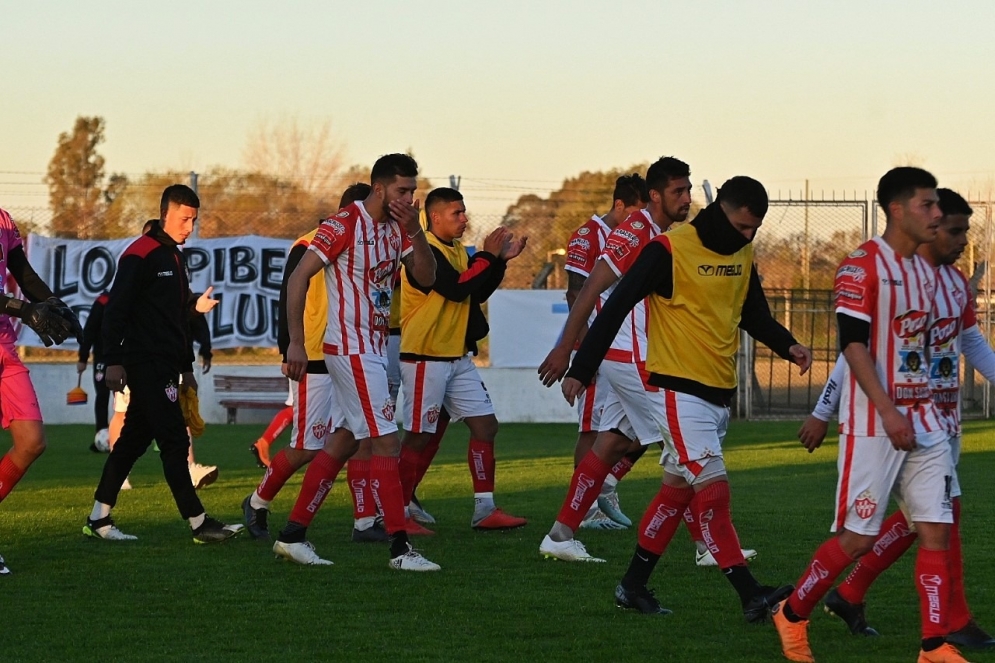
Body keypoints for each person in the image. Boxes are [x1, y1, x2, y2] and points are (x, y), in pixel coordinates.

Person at [563, 176, 811, 620]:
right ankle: (751, 594)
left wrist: (787, 344)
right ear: (719, 210)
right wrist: (581, 369)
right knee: (713, 491)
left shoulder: (742, 252)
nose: (747, 236)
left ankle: (632, 586)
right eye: (741, 226)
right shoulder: (669, 249)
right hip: (678, 392)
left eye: (754, 229)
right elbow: (615, 305)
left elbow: (753, 312)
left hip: (717, 392)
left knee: (675, 492)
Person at [772, 168, 965, 663]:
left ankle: (933, 645)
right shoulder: (861, 266)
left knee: (935, 529)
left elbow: (924, 348)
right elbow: (852, 346)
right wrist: (887, 411)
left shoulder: (928, 272)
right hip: (873, 424)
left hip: (925, 423)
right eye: (927, 204)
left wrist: (934, 411)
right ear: (897, 210)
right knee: (859, 539)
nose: (937, 213)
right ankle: (792, 613)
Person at [538, 158, 757, 567]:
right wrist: (567, 349)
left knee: (612, 443)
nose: (687, 198)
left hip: (632, 355)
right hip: (635, 358)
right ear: (655, 195)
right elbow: (590, 289)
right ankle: (709, 545)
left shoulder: (665, 233)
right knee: (687, 445)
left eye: (688, 190)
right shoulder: (637, 230)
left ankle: (560, 535)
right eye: (678, 191)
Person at [275, 153, 440, 570]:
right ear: (379, 188)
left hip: (372, 349)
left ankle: (292, 535)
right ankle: (400, 549)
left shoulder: (399, 227)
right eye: (403, 190)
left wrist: (415, 231)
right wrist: (296, 343)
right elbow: (298, 277)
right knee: (386, 442)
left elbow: (427, 278)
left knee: (345, 440)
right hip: (350, 349)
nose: (410, 198)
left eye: (413, 191)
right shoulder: (344, 224)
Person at [82, 184, 242, 544]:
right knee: (174, 440)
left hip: (167, 365)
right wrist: (113, 361)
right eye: (184, 219)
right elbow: (116, 310)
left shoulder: (174, 257)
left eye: (194, 220)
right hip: (145, 364)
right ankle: (199, 523)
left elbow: (174, 317)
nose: (189, 227)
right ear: (165, 214)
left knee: (131, 443)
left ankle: (98, 518)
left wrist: (186, 366)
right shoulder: (139, 253)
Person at [242, 183, 386, 544]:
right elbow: (289, 292)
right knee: (307, 447)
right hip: (314, 358)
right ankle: (257, 502)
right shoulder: (308, 243)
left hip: (351, 354)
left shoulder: (369, 245)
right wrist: (289, 347)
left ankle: (365, 521)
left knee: (359, 439)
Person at [397, 187, 528, 532]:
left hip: (456, 357)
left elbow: (475, 290)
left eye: (464, 211)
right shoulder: (423, 250)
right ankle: (397, 513)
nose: (464, 218)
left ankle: (484, 509)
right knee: (417, 437)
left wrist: (498, 261)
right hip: (425, 357)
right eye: (457, 213)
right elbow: (455, 288)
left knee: (485, 426)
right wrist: (487, 256)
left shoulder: (456, 249)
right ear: (435, 217)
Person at [560, 174, 649, 529]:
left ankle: (605, 487)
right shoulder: (588, 235)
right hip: (599, 349)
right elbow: (576, 293)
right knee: (592, 432)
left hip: (630, 348)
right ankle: (585, 511)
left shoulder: (640, 235)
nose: (642, 220)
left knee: (641, 428)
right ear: (619, 206)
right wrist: (585, 350)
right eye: (637, 212)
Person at [0, 206, 82, 575]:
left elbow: (24, 274)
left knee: (31, 441)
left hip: (3, 344)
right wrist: (25, 310)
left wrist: (56, 306)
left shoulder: (3, 220)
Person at [77, 292, 112, 452]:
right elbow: (90, 330)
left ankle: (125, 436)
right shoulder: (103, 302)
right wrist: (83, 358)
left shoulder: (131, 300)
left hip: (125, 357)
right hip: (103, 358)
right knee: (103, 396)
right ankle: (101, 435)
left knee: (125, 400)